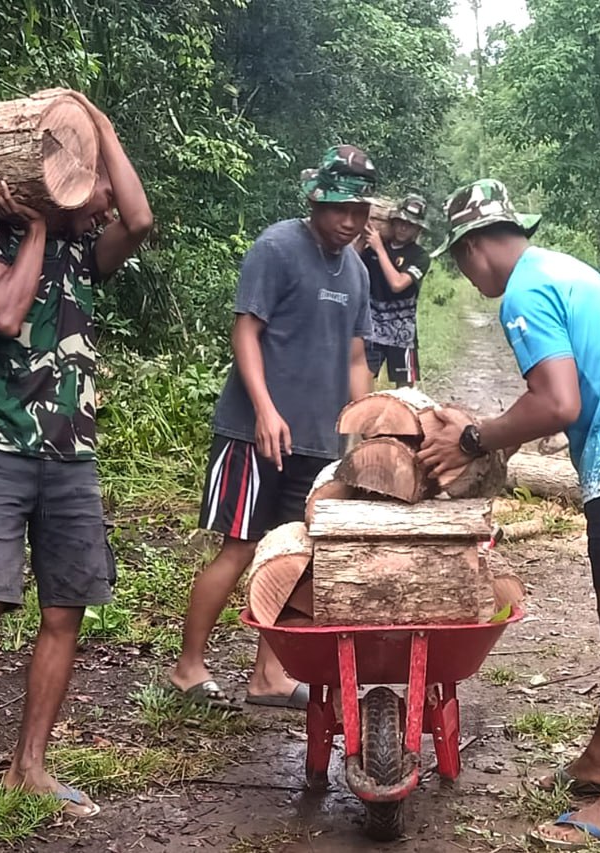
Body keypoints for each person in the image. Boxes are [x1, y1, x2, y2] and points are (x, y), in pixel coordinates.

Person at [419, 179, 600, 850]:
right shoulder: (556, 269)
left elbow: (557, 402)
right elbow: (564, 394)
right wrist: (495, 436)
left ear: (471, 248)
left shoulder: (524, 292)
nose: (466, 277)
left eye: (459, 262)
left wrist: (473, 439)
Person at [0, 92, 154, 818]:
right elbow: (4, 310)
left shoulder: (86, 248)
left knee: (65, 607)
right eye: (96, 178)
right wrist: (35, 229)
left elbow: (140, 219)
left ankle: (29, 764)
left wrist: (100, 123)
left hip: (70, 451)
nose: (106, 194)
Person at [169, 146, 376, 711]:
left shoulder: (358, 272)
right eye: (340, 209)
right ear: (315, 201)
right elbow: (246, 332)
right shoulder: (277, 247)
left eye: (359, 211)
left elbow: (356, 356)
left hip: (316, 441)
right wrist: (264, 409)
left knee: (293, 556)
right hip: (252, 432)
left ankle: (270, 675)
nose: (350, 222)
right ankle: (188, 668)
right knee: (239, 548)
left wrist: (365, 428)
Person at [362, 194, 432, 387]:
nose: (403, 228)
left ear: (418, 229)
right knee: (360, 384)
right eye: (401, 222)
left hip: (402, 335)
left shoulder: (420, 256)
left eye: (410, 225)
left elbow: (397, 283)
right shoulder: (373, 247)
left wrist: (379, 250)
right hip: (372, 331)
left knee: (405, 391)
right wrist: (364, 235)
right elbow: (351, 262)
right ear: (393, 221)